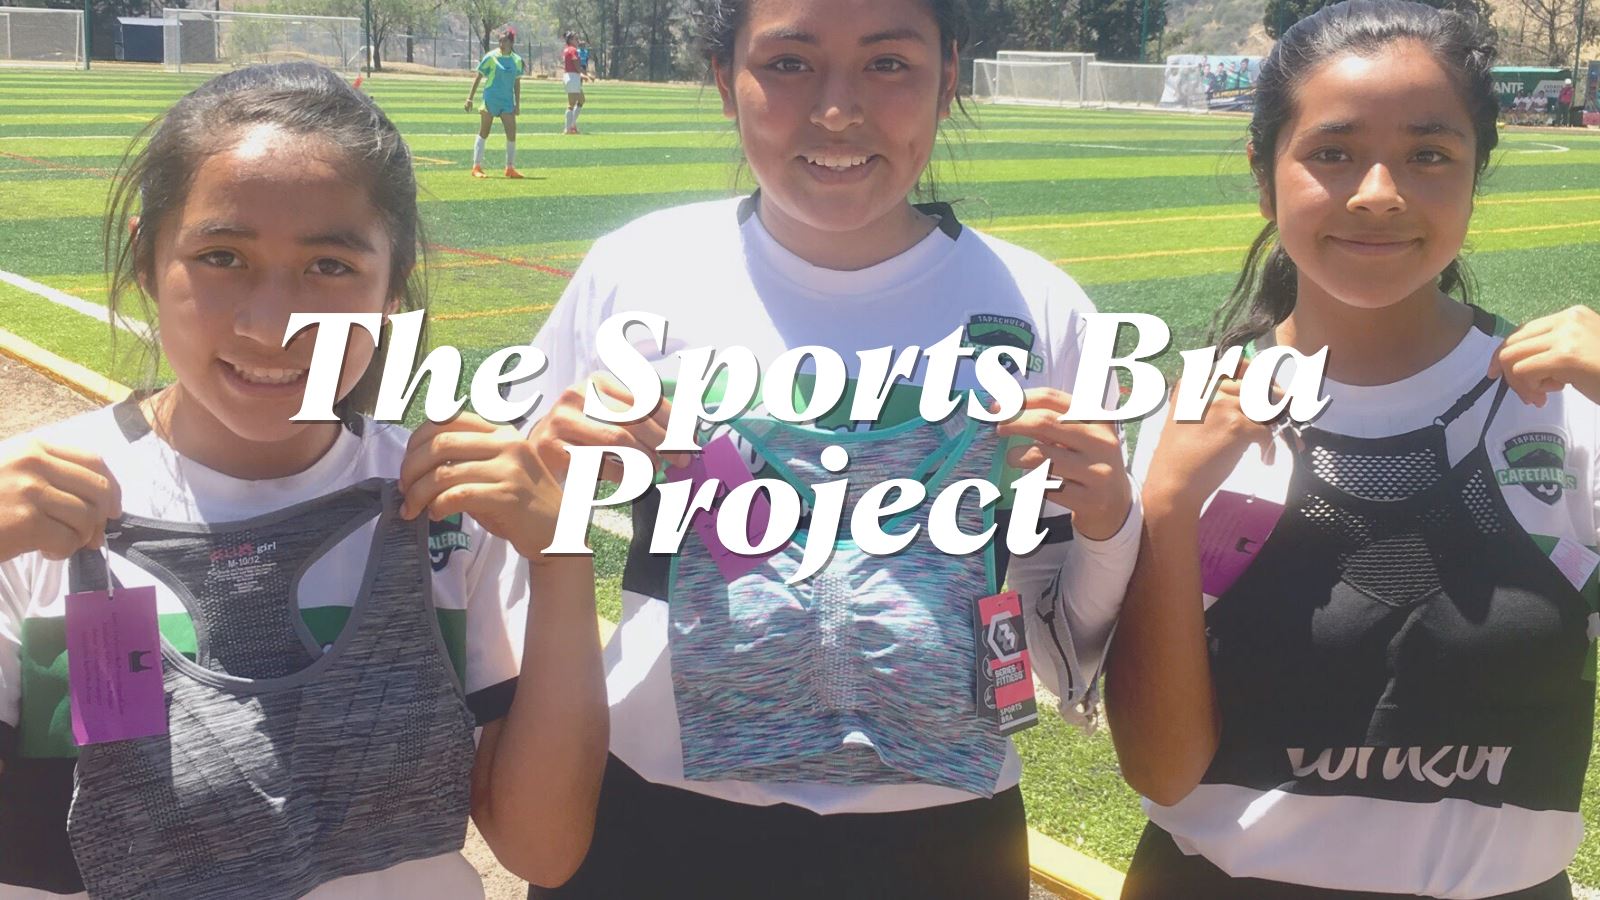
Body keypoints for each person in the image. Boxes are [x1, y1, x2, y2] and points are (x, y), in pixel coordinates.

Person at [512, 0, 1141, 896]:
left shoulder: (1038, 308)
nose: (838, 111)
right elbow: (507, 536)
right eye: (791, 63)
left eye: (888, 65)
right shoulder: (637, 271)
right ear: (725, 78)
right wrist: (550, 471)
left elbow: (1065, 643)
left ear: (948, 77)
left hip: (936, 838)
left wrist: (1110, 517)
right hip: (650, 818)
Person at [0, 63, 606, 898]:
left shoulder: (447, 503)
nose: (275, 324)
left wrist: (563, 553)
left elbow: (540, 852)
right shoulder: (35, 512)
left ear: (394, 287)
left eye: (329, 267)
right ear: (147, 258)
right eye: (222, 256)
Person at [1106, 3, 1600, 897]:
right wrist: (1170, 503)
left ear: (1476, 175)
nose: (1380, 191)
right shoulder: (1190, 419)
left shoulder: (1565, 404)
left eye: (1429, 154)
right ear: (1265, 174)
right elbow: (1163, 771)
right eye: (1332, 152)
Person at [465, 27, 525, 178]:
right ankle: (476, 167)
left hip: (507, 101)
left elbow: (517, 83)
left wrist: (517, 104)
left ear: (511, 42)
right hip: (491, 99)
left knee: (512, 134)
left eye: (504, 41)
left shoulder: (516, 60)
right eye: (499, 41)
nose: (501, 43)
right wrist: (469, 98)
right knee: (484, 132)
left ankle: (509, 168)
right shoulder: (491, 57)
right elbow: (478, 77)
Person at [562, 32, 585, 135]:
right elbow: (575, 62)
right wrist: (582, 73)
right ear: (571, 40)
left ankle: (572, 124)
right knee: (571, 104)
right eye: (576, 39)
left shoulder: (567, 49)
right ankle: (568, 129)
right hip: (573, 76)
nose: (578, 41)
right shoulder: (572, 50)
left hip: (570, 76)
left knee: (581, 100)